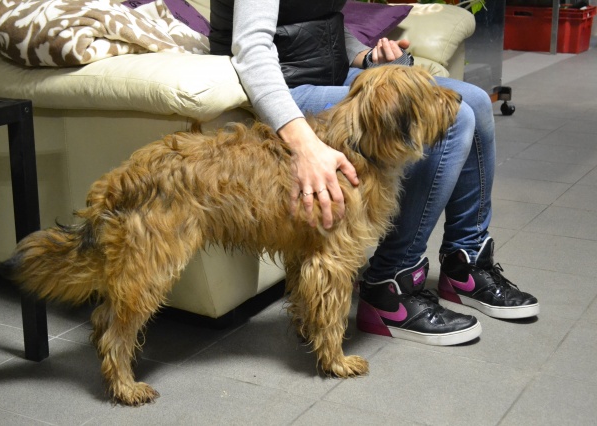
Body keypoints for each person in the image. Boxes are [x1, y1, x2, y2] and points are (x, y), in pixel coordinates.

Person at [208, 0, 539, 346]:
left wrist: (366, 57)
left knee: (475, 101)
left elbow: (317, 20)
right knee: (453, 120)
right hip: (281, 88)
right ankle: (390, 285)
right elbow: (253, 49)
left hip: (330, 74)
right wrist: (303, 143)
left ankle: (465, 261)